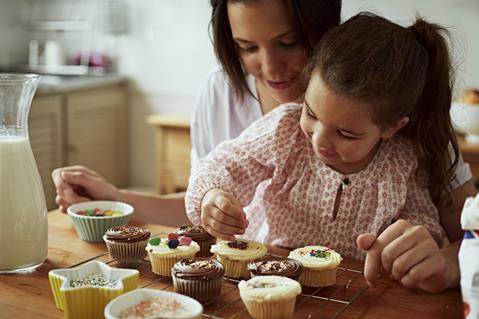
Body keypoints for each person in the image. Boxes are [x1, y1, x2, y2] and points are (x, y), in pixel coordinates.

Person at [185, 12, 477, 293]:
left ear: (391, 127)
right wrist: (212, 196)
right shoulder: (284, 130)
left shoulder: (404, 163)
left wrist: (408, 253)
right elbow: (223, 165)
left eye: (346, 134)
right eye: (311, 113)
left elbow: (424, 225)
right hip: (266, 281)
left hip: (354, 293)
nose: (320, 140)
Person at [50, 0, 342, 226]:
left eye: (287, 43)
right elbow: (199, 206)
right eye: (248, 47)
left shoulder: (359, 98)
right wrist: (115, 198)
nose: (269, 68)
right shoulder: (220, 91)